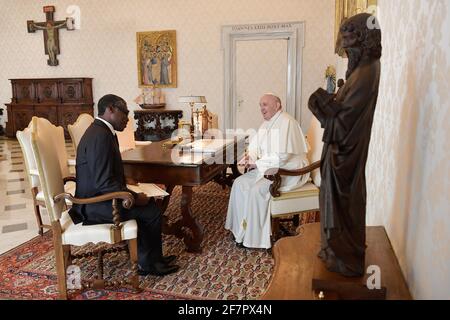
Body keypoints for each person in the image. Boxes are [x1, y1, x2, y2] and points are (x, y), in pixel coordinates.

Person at [68, 94, 179, 276]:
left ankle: (152, 258)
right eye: (124, 112)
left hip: (98, 198)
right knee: (150, 212)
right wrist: (133, 196)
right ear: (110, 109)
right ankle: (148, 264)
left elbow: (105, 175)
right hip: (94, 205)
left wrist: (129, 187)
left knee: (150, 205)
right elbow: (103, 182)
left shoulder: (102, 132)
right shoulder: (100, 136)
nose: (128, 118)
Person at [308, 13, 382, 277]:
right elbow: (343, 113)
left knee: (342, 204)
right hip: (341, 153)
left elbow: (342, 125)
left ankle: (344, 258)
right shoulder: (361, 69)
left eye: (350, 39)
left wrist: (319, 104)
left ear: (363, 38)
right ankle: (333, 250)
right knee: (335, 202)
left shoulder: (366, 73)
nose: (346, 46)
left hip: (346, 156)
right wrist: (329, 103)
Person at [225, 94, 310, 249]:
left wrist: (257, 164)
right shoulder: (266, 123)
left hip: (288, 171)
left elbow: (283, 156)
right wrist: (249, 157)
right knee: (238, 183)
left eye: (264, 104)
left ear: (277, 105)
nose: (261, 108)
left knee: (257, 190)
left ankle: (254, 239)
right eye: (260, 105)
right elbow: (254, 146)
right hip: (270, 167)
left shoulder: (287, 122)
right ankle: (241, 230)